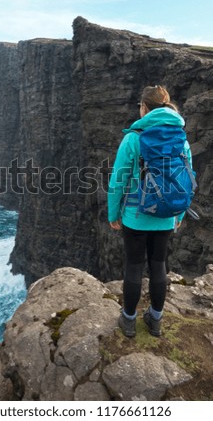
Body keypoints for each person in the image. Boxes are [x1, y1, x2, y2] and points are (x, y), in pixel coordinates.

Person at [107, 85, 193, 337]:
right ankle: (155, 320)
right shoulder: (181, 138)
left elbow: (117, 181)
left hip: (136, 216)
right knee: (159, 266)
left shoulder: (134, 137)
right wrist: (179, 214)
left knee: (134, 267)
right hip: (167, 216)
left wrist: (113, 215)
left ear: (144, 108)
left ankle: (129, 320)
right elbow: (184, 180)